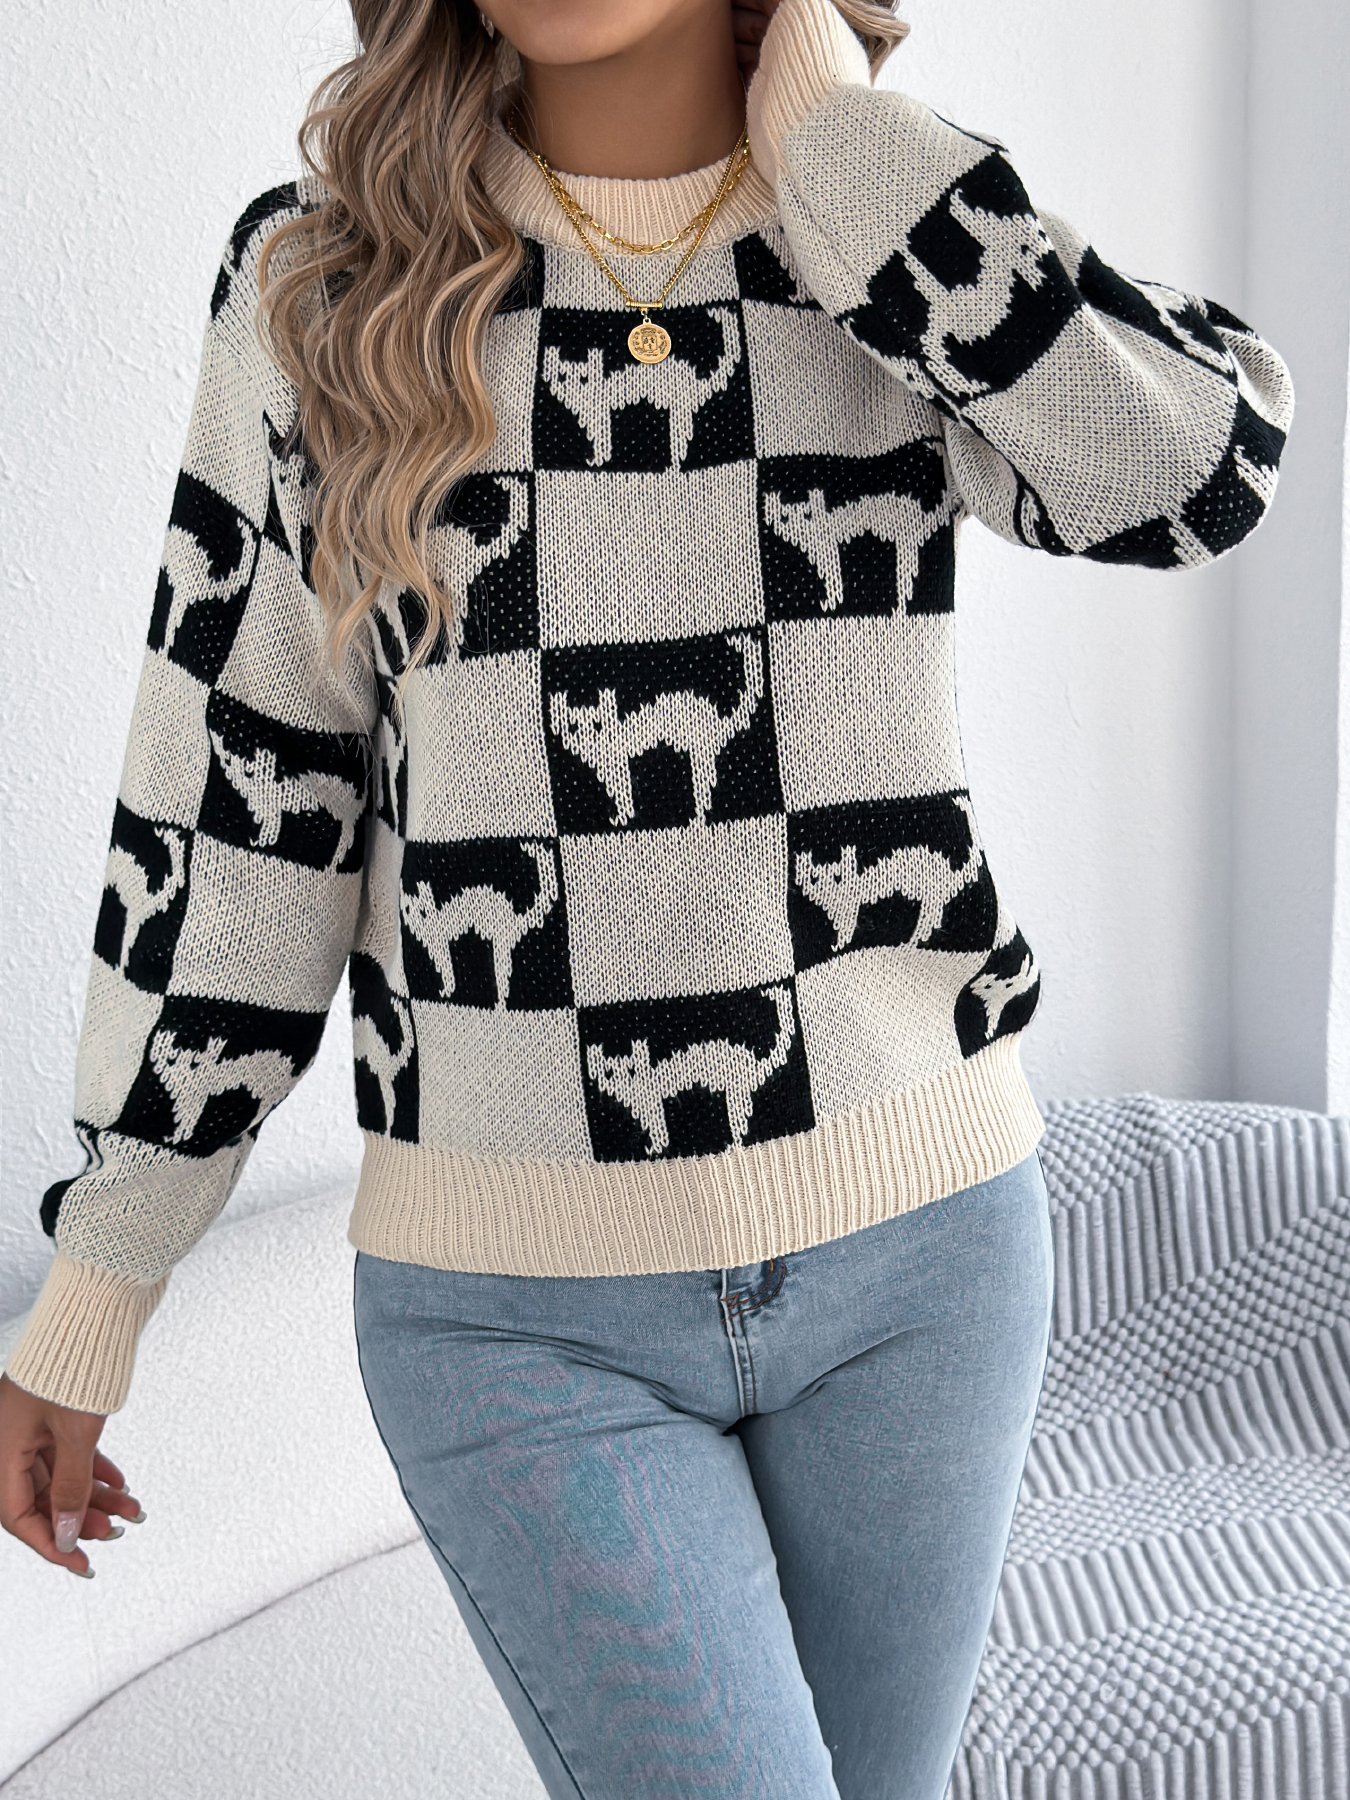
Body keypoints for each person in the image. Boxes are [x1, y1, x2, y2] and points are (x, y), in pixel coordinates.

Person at [0, 0, 1293, 1794]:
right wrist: (102, 1279)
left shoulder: (889, 251)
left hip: (924, 1251)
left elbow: (1198, 472)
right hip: (515, 1310)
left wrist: (847, 153)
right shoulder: (319, 284)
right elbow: (236, 810)